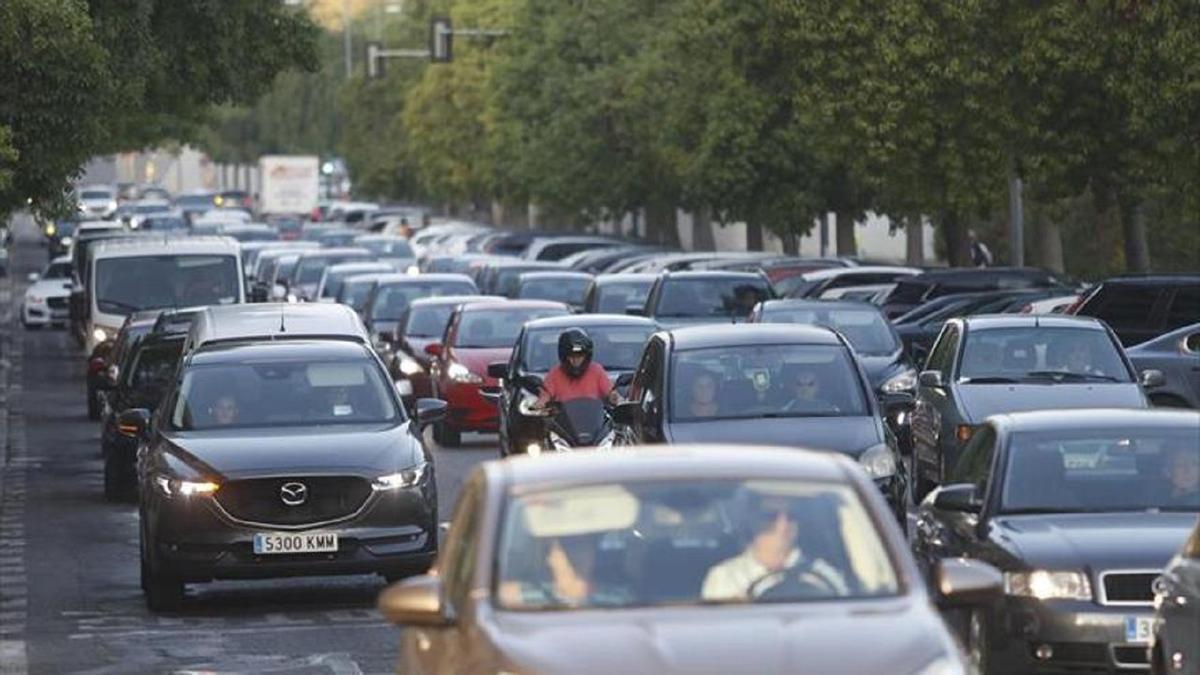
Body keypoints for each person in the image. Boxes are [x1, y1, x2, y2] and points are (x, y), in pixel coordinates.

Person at [702, 496, 848, 601]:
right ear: (753, 521)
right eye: (771, 516)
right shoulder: (724, 577)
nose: (782, 525)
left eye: (791, 516)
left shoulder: (823, 575)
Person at [535, 328, 619, 408]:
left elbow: (610, 392)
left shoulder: (596, 371)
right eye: (571, 356)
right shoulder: (555, 374)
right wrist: (541, 403)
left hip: (593, 421)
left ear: (586, 356)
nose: (575, 360)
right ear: (564, 356)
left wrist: (614, 397)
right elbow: (545, 395)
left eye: (579, 356)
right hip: (564, 421)